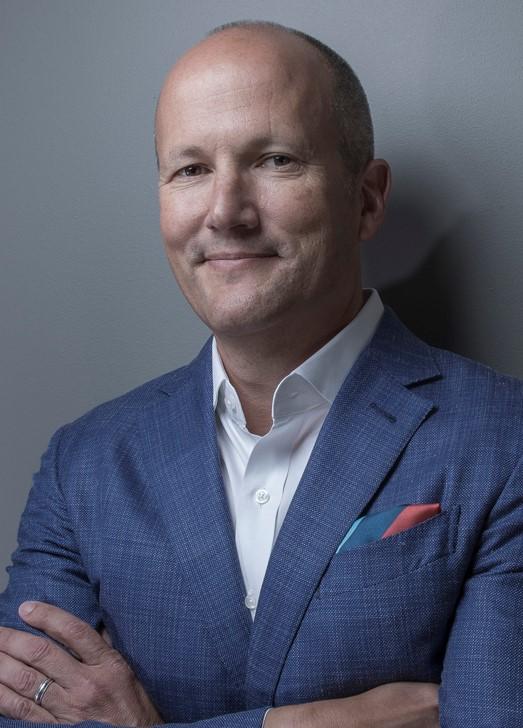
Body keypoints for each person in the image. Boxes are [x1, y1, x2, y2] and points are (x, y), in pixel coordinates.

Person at [0, 20, 521, 728]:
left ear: (366, 199)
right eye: (190, 169)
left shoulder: (504, 440)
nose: (224, 212)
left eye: (274, 160)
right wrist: (299, 724)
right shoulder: (84, 464)